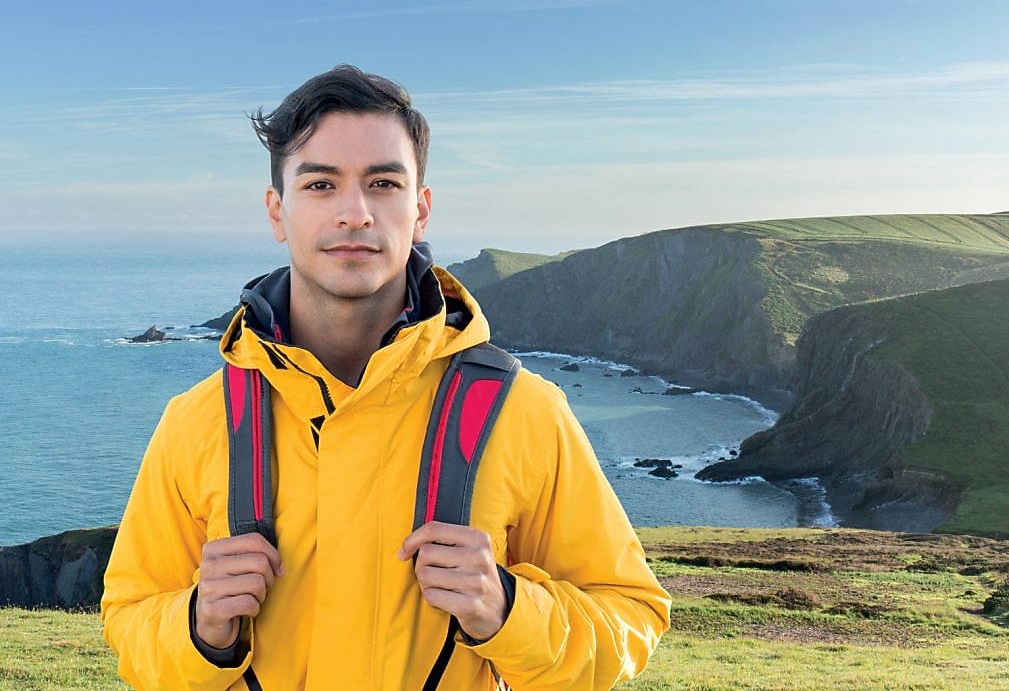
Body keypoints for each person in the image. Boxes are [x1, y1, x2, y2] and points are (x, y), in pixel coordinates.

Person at [101, 65, 670, 691]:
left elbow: (629, 616)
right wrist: (197, 627)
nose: (355, 213)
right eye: (320, 184)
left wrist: (508, 610)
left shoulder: (525, 411)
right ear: (277, 211)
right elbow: (129, 622)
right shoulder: (197, 421)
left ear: (420, 207)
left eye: (383, 183)